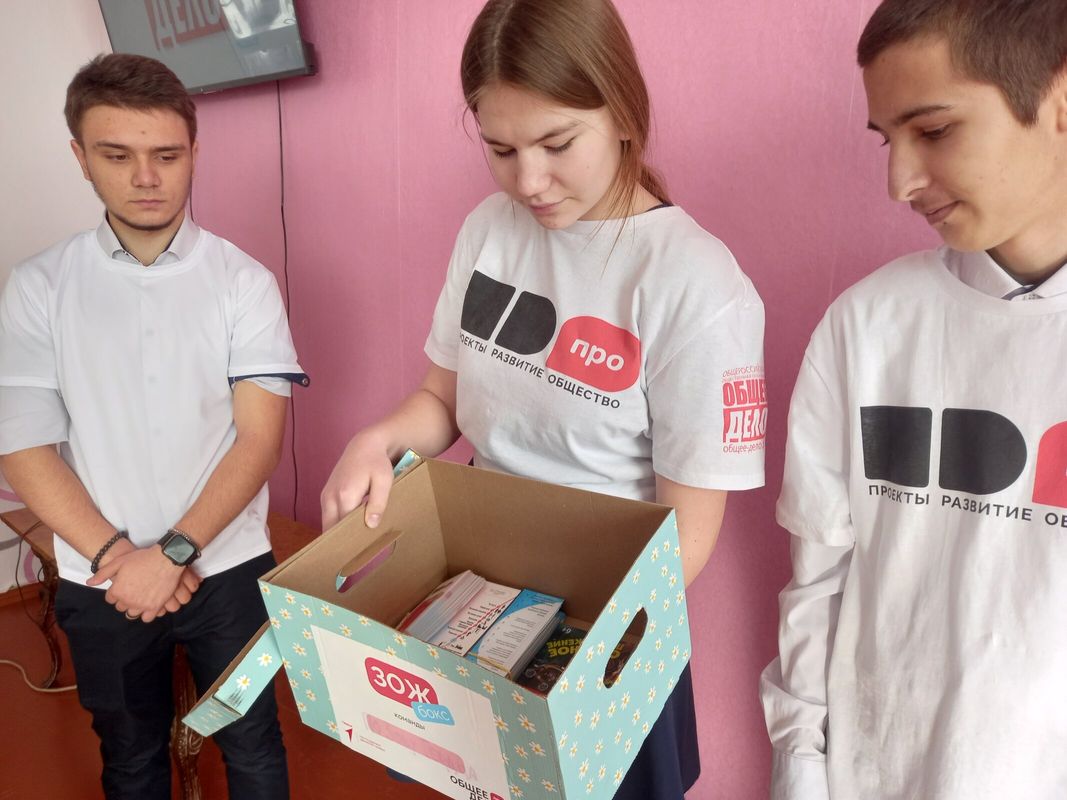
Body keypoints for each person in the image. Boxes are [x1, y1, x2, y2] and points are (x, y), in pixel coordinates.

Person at [321, 0, 766, 796]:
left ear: (622, 113)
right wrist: (377, 439)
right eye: (500, 149)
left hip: (606, 632)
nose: (527, 181)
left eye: (557, 144)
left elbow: (682, 544)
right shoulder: (488, 230)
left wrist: (564, 660)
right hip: (475, 602)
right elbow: (443, 399)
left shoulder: (695, 285)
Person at [760, 1, 1067, 797]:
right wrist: (798, 768)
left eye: (931, 130)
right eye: (886, 140)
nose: (898, 182)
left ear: (1059, 102)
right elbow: (816, 581)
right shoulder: (866, 326)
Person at [0, 53, 306, 799]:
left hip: (228, 568)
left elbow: (259, 440)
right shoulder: (39, 287)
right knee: (130, 755)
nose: (146, 177)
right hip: (99, 575)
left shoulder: (243, 282)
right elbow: (24, 446)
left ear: (194, 152)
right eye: (117, 156)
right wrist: (118, 557)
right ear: (80, 157)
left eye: (166, 155)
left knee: (253, 743)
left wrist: (172, 554)